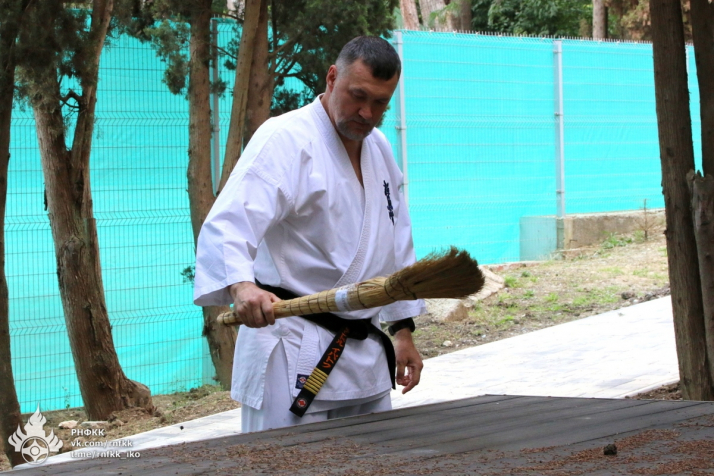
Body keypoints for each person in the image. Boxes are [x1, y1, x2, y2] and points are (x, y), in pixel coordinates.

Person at [193, 36, 426, 432]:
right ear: (332, 78)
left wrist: (402, 331)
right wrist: (242, 287)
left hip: (365, 353)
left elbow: (395, 242)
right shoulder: (285, 139)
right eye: (358, 96)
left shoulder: (380, 147)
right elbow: (230, 220)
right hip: (293, 346)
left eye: (380, 103)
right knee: (285, 460)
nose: (367, 113)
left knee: (377, 458)